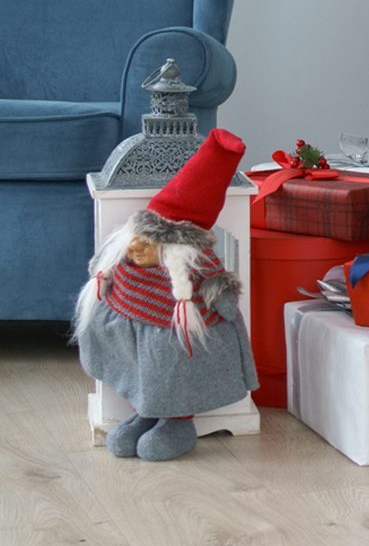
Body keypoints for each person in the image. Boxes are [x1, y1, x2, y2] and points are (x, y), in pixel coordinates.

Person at [74, 128, 258, 460]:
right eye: (137, 237)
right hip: (138, 333)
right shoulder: (129, 268)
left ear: (175, 248)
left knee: (170, 366)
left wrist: (223, 300)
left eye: (149, 242)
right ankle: (146, 410)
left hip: (175, 340)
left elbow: (223, 298)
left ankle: (177, 422)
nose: (135, 248)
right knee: (144, 366)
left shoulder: (193, 272)